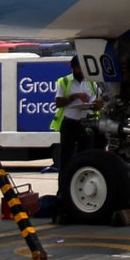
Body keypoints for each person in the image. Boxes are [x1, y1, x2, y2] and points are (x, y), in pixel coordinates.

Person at [43, 57, 98, 200]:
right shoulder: (65, 81)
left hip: (86, 123)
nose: (82, 71)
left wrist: (97, 105)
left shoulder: (91, 82)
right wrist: (74, 97)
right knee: (66, 159)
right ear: (73, 68)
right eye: (79, 68)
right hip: (70, 123)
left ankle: (83, 191)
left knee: (86, 158)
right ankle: (63, 191)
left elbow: (98, 100)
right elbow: (58, 102)